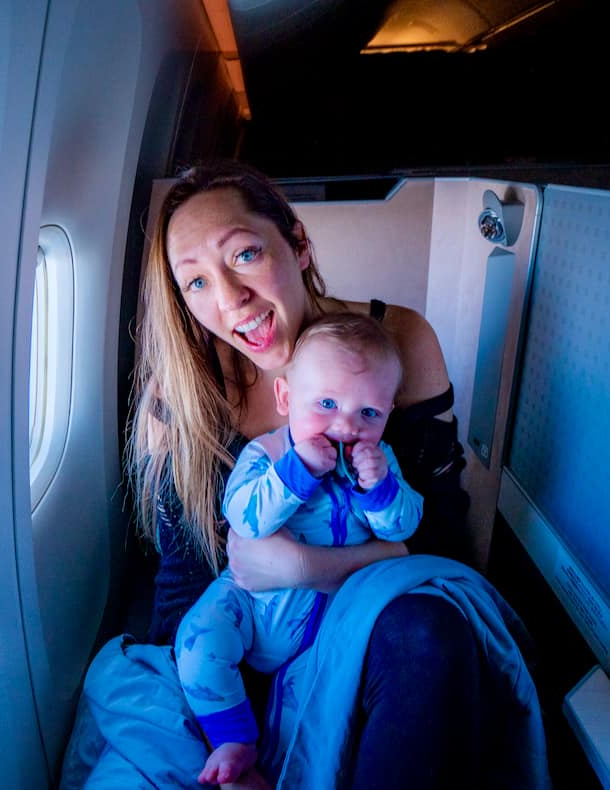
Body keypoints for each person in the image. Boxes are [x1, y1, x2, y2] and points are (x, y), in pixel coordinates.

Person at [125, 160, 504, 788]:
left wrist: (307, 568)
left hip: (363, 619)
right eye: (195, 283)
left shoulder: (395, 342)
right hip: (244, 633)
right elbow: (183, 585)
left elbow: (440, 543)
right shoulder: (185, 392)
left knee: (430, 637)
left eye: (244, 254)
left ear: (297, 244)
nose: (228, 300)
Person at [176, 313, 423, 785]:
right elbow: (244, 516)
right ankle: (231, 738)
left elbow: (406, 525)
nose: (346, 426)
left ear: (388, 413)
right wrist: (296, 473)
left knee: (316, 710)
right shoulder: (267, 453)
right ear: (286, 398)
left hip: (324, 622)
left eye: (368, 413)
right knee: (198, 643)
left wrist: (381, 490)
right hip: (249, 601)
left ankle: (268, 769)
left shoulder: (379, 463)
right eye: (326, 403)